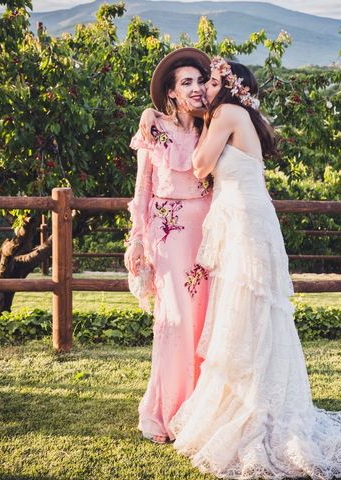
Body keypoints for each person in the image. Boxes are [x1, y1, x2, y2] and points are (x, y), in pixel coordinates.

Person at [167, 58, 341, 478]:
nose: (204, 89)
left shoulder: (226, 114)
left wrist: (201, 121)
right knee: (248, 317)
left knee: (249, 317)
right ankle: (249, 404)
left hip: (246, 227)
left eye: (210, 82)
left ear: (229, 87)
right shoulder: (236, 114)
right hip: (245, 224)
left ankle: (256, 415)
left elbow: (199, 166)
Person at [124, 47, 212, 444]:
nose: (195, 88)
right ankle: (168, 411)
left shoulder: (212, 125)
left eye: (199, 81)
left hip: (209, 233)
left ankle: (203, 412)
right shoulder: (153, 127)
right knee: (175, 322)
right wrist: (138, 238)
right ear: (172, 92)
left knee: (205, 323)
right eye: (186, 83)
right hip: (169, 232)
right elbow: (142, 188)